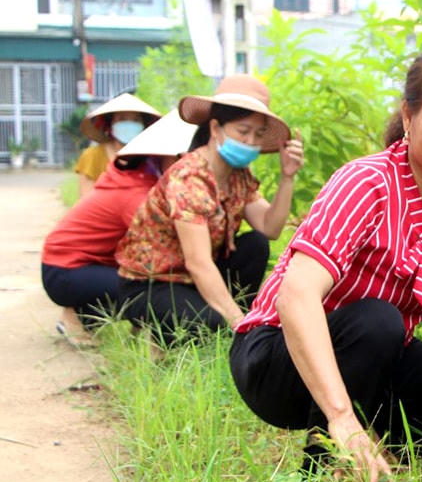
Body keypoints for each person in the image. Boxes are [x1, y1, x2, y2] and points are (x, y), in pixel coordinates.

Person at [229, 45, 422, 482]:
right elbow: (296, 296)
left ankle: (381, 458)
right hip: (276, 358)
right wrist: (340, 416)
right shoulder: (367, 182)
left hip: (375, 358)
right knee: (378, 321)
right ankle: (323, 477)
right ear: (409, 117)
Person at [115, 75, 304, 344]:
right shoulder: (189, 178)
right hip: (153, 283)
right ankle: (158, 331)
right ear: (216, 128)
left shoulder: (238, 174)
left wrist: (288, 177)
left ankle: (227, 317)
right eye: (243, 131)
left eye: (258, 134)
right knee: (214, 328)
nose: (250, 141)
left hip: (193, 278)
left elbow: (270, 228)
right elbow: (198, 262)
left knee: (256, 244)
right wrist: (239, 323)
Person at [42, 109, 196, 348]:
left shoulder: (145, 178)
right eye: (179, 158)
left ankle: (83, 317)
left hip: (86, 264)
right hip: (65, 270)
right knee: (147, 289)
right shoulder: (137, 192)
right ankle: (78, 316)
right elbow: (165, 247)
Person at [75, 93, 161, 198]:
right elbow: (85, 199)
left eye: (135, 120)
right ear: (110, 125)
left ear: (144, 125)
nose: (129, 125)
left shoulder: (152, 159)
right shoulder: (92, 156)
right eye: (122, 119)